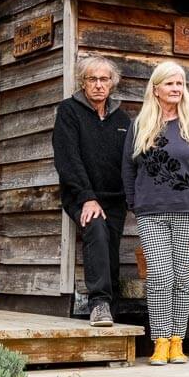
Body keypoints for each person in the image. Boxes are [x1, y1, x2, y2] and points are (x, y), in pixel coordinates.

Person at [122, 61, 189, 365]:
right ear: (156, 88)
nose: (176, 89)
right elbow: (128, 167)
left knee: (181, 278)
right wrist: (134, 202)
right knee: (160, 276)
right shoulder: (141, 124)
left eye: (180, 84)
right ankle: (160, 341)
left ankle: (177, 342)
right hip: (151, 212)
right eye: (170, 84)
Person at [52, 55, 131, 327]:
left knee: (110, 246)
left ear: (112, 83)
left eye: (104, 79)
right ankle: (98, 304)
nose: (98, 85)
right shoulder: (68, 111)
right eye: (92, 79)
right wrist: (87, 197)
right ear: (83, 83)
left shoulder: (122, 118)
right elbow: (67, 158)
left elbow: (130, 161)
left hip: (115, 198)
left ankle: (111, 308)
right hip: (81, 195)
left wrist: (132, 196)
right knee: (95, 229)